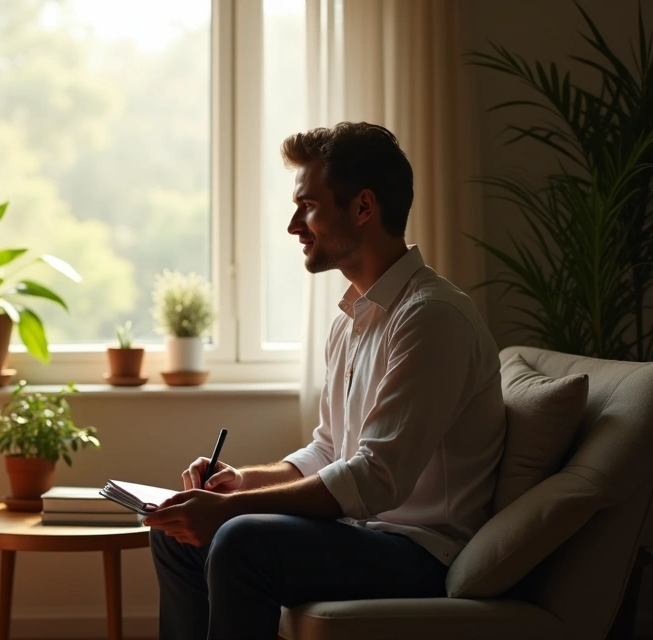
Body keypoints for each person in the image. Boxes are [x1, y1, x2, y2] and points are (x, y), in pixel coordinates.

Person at [144, 122, 505, 639]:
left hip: (424, 552)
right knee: (178, 535)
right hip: (361, 534)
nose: (295, 225)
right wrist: (243, 482)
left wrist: (229, 509)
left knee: (239, 538)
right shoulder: (351, 320)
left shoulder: (432, 318)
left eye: (307, 206)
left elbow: (376, 477)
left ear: (363, 207)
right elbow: (331, 448)